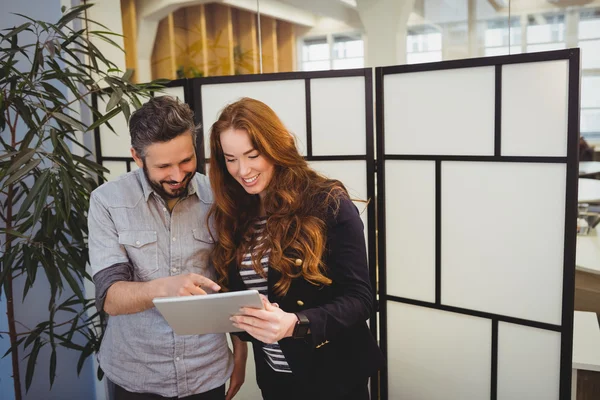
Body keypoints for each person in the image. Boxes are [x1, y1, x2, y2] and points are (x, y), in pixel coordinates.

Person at [206, 97, 384, 400]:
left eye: (252, 155)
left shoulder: (327, 202)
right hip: (277, 380)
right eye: (231, 158)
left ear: (276, 147)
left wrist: (295, 324)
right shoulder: (235, 214)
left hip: (334, 377)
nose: (242, 170)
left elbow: (361, 299)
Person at [88, 96, 247, 400]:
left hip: (206, 371)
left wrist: (240, 352)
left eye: (186, 160)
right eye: (163, 166)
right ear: (137, 156)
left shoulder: (220, 197)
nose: (177, 175)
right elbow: (110, 297)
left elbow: (233, 281)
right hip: (135, 373)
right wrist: (164, 288)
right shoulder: (107, 201)